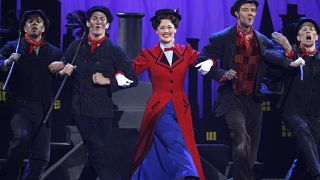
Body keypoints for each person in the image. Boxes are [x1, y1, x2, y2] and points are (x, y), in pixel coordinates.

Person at [195, 0, 306, 179]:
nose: (250, 13)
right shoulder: (221, 38)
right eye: (245, 10)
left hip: (254, 100)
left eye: (253, 10)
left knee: (251, 152)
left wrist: (288, 49)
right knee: (240, 139)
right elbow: (201, 62)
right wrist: (222, 73)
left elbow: (281, 65)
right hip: (232, 98)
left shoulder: (262, 41)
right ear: (236, 13)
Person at [58, 5, 138, 180]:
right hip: (80, 109)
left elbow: (133, 78)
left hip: (103, 111)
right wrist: (63, 70)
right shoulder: (75, 46)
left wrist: (108, 80)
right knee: (97, 149)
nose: (98, 22)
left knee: (98, 154)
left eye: (102, 19)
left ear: (108, 25)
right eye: (94, 18)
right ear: (88, 23)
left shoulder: (114, 50)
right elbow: (62, 66)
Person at [130, 8, 207, 180]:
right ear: (156, 30)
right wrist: (117, 74)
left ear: (176, 29)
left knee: (160, 147)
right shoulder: (148, 54)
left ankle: (145, 176)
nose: (166, 31)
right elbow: (131, 69)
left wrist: (211, 61)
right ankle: (189, 174)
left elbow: (202, 60)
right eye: (162, 27)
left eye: (170, 27)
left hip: (181, 108)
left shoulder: (186, 51)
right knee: (175, 140)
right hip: (159, 108)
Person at [0, 10, 63, 180]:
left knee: (41, 156)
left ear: (43, 28)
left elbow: (61, 76)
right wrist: (6, 62)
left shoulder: (54, 52)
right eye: (30, 21)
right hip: (19, 105)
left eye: (38, 21)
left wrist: (63, 67)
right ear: (25, 28)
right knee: (21, 138)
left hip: (43, 107)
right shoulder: (13, 47)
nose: (34, 23)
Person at [265, 17, 320, 180]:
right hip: (292, 110)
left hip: (315, 114)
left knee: (308, 153)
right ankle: (318, 174)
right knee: (302, 129)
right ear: (298, 37)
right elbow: (268, 54)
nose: (308, 31)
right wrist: (289, 51)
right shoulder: (291, 52)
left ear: (316, 37)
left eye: (311, 29)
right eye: (304, 29)